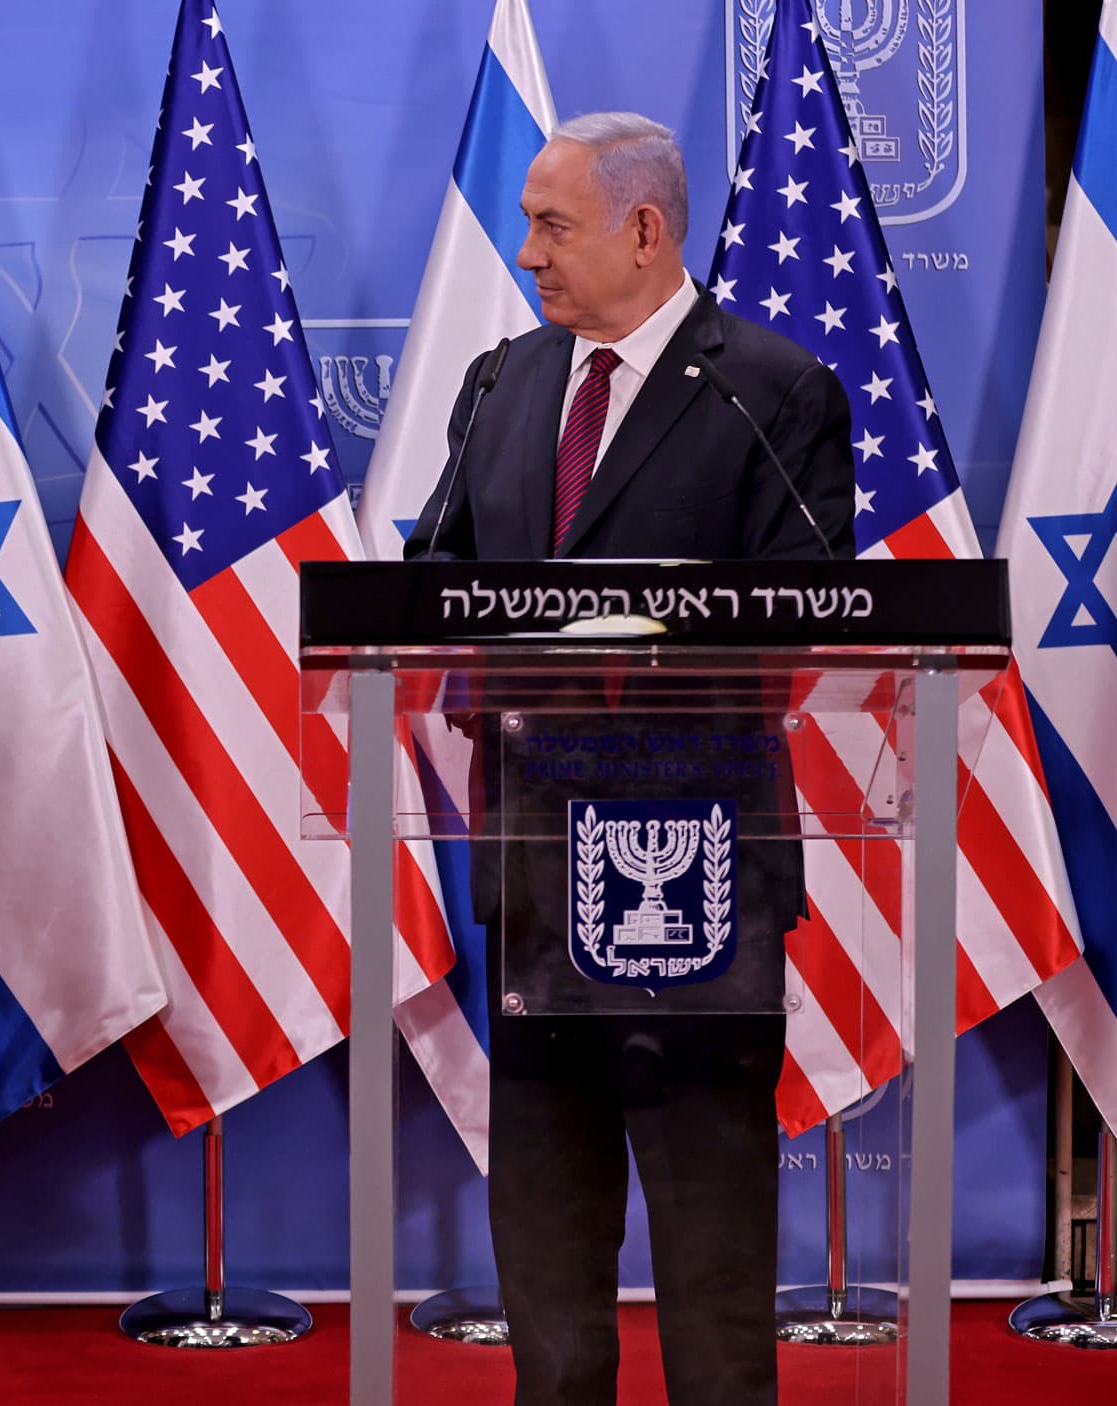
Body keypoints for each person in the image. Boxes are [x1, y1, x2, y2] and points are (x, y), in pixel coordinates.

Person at [405, 113, 855, 1406]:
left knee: (714, 1283)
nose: (528, 249)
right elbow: (434, 589)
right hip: (534, 877)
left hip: (694, 887)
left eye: (554, 223)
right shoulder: (500, 383)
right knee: (547, 1279)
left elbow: (799, 624)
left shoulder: (775, 393)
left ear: (645, 230)